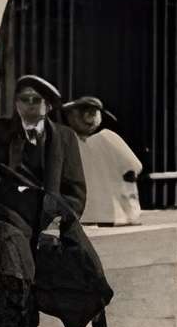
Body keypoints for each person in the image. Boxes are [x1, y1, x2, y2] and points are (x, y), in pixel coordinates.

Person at [0, 74, 122, 327]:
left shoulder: (64, 137)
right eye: (23, 100)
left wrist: (56, 223)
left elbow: (75, 190)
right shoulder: (1, 133)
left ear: (48, 105)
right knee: (18, 271)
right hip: (12, 216)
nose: (29, 107)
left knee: (88, 269)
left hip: (53, 216)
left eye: (36, 101)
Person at [61, 95, 143, 228]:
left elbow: (133, 167)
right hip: (105, 209)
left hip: (93, 209)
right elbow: (133, 166)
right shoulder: (77, 141)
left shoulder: (100, 139)